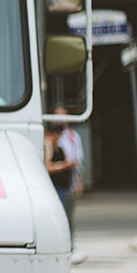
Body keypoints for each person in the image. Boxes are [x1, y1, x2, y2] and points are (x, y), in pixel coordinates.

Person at [53, 106, 85, 261]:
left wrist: (79, 182)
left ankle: (70, 246)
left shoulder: (72, 137)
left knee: (69, 217)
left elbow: (78, 163)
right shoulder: (49, 137)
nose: (61, 119)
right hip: (54, 184)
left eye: (63, 116)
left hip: (68, 183)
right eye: (57, 116)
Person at [44, 123, 77, 240]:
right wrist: (64, 165)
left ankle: (70, 245)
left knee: (68, 219)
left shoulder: (61, 148)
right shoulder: (48, 148)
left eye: (59, 134)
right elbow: (48, 167)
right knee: (60, 219)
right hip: (56, 189)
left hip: (65, 187)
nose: (57, 136)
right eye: (55, 133)